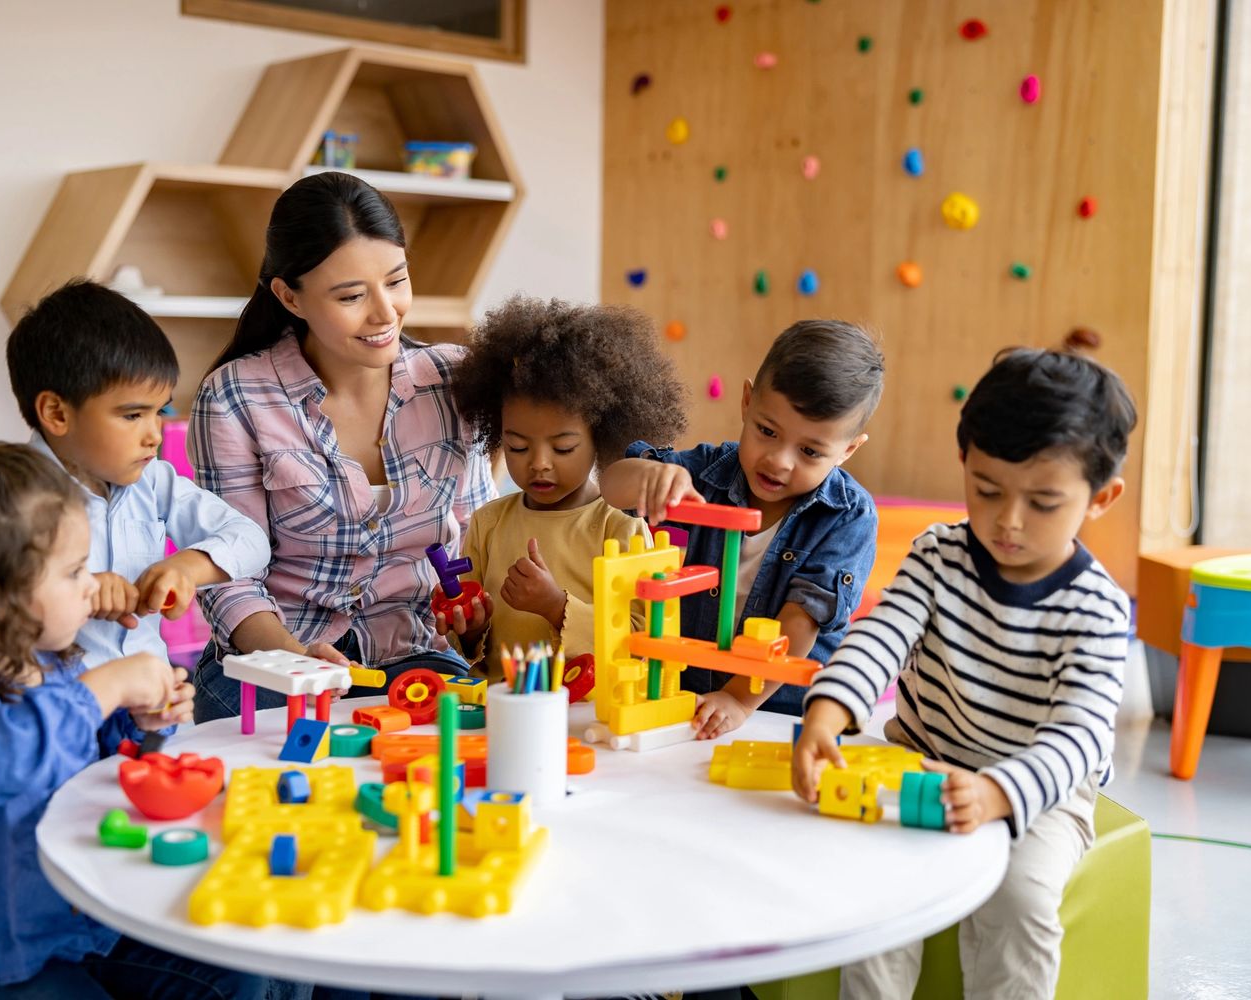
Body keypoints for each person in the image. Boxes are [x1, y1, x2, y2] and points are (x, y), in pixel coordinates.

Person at [0, 441, 265, 1000]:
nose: (93, 585)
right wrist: (109, 684)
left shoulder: (47, 665)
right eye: (73, 573)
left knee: (239, 973)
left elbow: (85, 758)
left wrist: (143, 724)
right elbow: (8, 761)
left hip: (77, 926)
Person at [793, 348, 1137, 1000]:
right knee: (877, 885)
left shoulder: (1096, 606)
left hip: (1040, 792)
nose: (1007, 522)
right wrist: (826, 714)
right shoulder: (937, 553)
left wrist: (999, 795)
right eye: (986, 490)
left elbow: (1079, 738)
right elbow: (881, 636)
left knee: (1021, 900)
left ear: (1101, 498)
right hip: (918, 757)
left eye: (1041, 502)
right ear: (964, 463)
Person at [189, 171, 495, 722]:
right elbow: (228, 574)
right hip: (277, 660)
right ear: (289, 296)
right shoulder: (235, 395)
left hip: (415, 654)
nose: (385, 314)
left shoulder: (454, 380)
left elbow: (482, 534)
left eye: (396, 281)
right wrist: (294, 657)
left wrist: (473, 612)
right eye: (352, 295)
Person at [600, 319, 884, 736]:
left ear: (848, 450)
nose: (779, 461)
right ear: (747, 402)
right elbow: (610, 488)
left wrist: (738, 698)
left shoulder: (848, 516)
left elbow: (801, 621)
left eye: (810, 451)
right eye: (767, 431)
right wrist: (649, 478)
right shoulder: (708, 471)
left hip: (780, 706)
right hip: (688, 691)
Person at [6, 279, 271, 668]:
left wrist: (185, 567)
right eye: (132, 415)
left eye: (159, 412)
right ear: (57, 414)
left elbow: (251, 540)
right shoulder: (8, 495)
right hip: (60, 713)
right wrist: (80, 589)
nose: (154, 434)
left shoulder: (153, 481)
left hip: (150, 705)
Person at [442, 295, 687, 673]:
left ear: (602, 437)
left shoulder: (621, 528)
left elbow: (642, 642)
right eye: (517, 446)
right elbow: (474, 644)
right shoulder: (488, 522)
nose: (539, 464)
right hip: (497, 706)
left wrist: (556, 606)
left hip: (587, 714)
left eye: (563, 447)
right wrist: (471, 627)